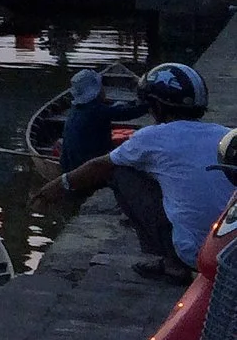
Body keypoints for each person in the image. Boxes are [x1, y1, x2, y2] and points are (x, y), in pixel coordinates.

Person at [34, 62, 230, 282]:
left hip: (194, 254)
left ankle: (172, 265)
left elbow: (100, 166)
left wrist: (58, 185)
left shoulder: (150, 138)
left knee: (120, 171)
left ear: (156, 107)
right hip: (231, 251)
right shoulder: (227, 136)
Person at [58, 67, 148, 174]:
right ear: (96, 90)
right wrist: (149, 104)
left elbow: (115, 109)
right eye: (100, 86)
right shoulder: (96, 111)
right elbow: (127, 113)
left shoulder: (77, 108)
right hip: (88, 167)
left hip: (69, 165)